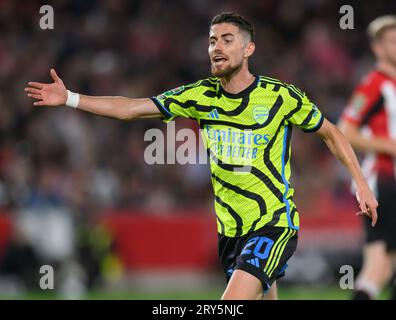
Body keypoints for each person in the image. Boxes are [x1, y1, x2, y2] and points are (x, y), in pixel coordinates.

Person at [25, 12, 378, 300]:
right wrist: (71, 97)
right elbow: (132, 108)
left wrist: (360, 183)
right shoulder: (200, 96)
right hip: (230, 232)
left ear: (249, 48)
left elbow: (331, 132)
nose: (216, 48)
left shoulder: (280, 96)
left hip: (273, 223)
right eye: (212, 41)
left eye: (227, 40)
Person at [338, 15, 396, 300]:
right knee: (379, 265)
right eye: (392, 41)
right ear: (377, 48)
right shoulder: (373, 84)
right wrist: (390, 146)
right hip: (383, 181)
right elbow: (345, 130)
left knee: (384, 267)